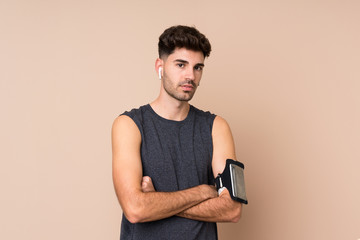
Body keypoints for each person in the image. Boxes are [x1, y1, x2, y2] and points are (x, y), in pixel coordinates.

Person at [112, 25, 242, 240]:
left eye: (198, 67)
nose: (190, 75)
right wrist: (201, 192)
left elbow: (232, 210)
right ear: (160, 67)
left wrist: (155, 200)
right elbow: (135, 209)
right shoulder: (128, 125)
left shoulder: (217, 127)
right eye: (181, 65)